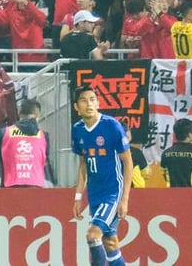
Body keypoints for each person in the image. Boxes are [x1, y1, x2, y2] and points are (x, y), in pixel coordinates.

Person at [71, 85, 133, 266]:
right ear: (77, 107)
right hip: (95, 193)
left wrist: (124, 199)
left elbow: (128, 162)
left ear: (98, 103)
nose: (89, 104)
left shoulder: (111, 126)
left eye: (92, 100)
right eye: (83, 100)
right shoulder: (77, 129)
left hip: (113, 191)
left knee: (92, 235)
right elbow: (83, 164)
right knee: (110, 243)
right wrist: (78, 196)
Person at [0, 98, 55, 187]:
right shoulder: (43, 136)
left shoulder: (5, 133)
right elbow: (44, 161)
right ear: (37, 115)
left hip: (10, 188)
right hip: (36, 188)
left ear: (20, 114)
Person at [160, 118, 192, 188]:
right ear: (189, 134)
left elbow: (164, 174)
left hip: (171, 195)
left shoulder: (166, 153)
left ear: (175, 134)